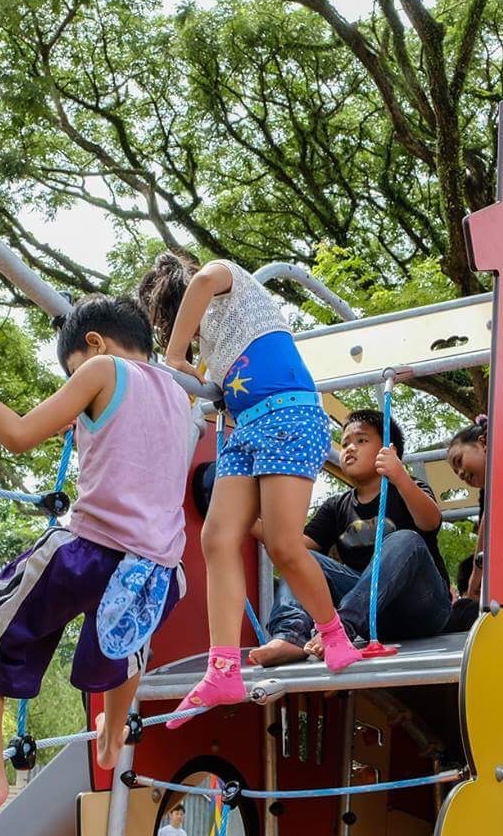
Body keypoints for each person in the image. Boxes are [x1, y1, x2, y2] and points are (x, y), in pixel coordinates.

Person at [0, 295, 198, 800]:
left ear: (95, 343)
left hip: (90, 551)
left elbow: (18, 434)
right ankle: (112, 731)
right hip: (159, 569)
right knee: (126, 646)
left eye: (71, 374)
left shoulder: (102, 367)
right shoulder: (179, 398)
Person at [138, 251, 361, 722]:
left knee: (283, 544)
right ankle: (223, 668)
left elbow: (200, 282)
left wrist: (175, 356)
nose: (193, 333)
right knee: (215, 538)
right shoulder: (213, 352)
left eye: (184, 323)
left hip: (290, 415)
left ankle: (334, 633)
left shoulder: (227, 279)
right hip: (245, 433)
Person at [250, 408, 451, 666]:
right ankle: (291, 635)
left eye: (361, 440)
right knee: (300, 558)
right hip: (372, 613)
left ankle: (339, 629)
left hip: (422, 606)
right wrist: (246, 521)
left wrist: (400, 477)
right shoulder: (336, 506)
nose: (350, 448)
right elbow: (292, 546)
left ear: (390, 450)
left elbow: (430, 521)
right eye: (345, 443)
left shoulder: (408, 488)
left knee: (407, 539)